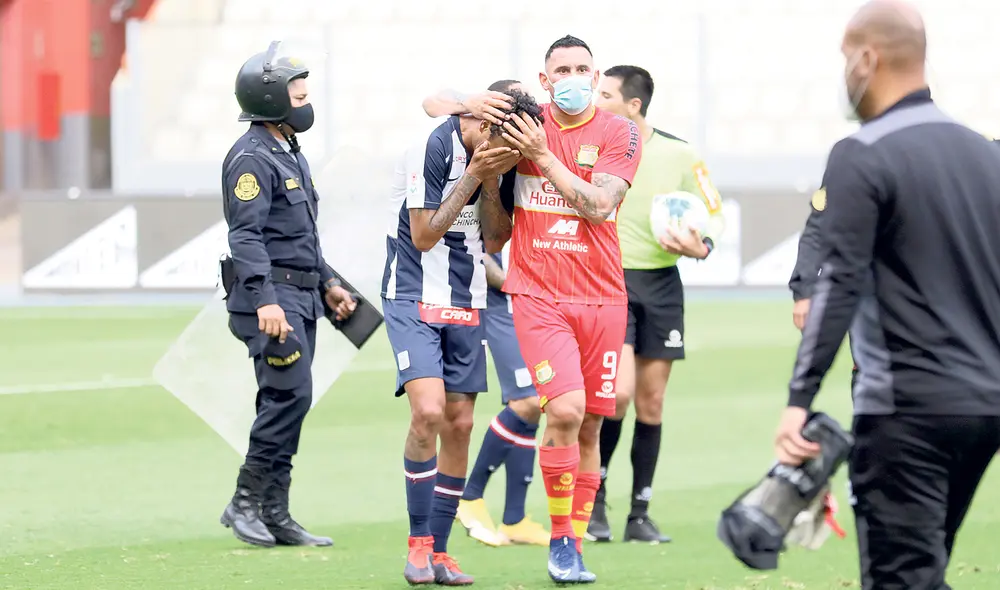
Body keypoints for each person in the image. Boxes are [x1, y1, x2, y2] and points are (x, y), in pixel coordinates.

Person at [774, 2, 1000, 588]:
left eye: (846, 57)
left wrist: (800, 399)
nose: (845, 71)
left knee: (899, 578)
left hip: (906, 411)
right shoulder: (986, 155)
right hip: (984, 406)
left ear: (868, 57)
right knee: (923, 571)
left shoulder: (861, 152)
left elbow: (841, 282)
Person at [423, 34, 642, 584]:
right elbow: (495, 238)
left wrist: (541, 155)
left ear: (594, 77)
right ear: (544, 81)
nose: (571, 77)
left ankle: (572, 543)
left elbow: (600, 205)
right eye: (560, 70)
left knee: (594, 420)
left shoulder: (620, 131)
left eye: (581, 68)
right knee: (564, 410)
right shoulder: (523, 124)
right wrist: (493, 175)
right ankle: (561, 543)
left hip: (604, 295)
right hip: (538, 295)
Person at [383, 85, 540, 585]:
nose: (508, 151)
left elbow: (495, 240)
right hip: (411, 294)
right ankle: (418, 544)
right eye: (502, 139)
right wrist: (475, 173)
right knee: (427, 411)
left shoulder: (501, 158)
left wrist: (492, 183)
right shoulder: (431, 146)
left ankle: (443, 552)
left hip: (467, 298)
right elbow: (425, 235)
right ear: (477, 121)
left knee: (460, 425)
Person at [220, 41, 357, 548]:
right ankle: (245, 502)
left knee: (293, 400)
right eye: (298, 94)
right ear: (273, 99)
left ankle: (276, 512)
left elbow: (299, 236)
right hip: (271, 301)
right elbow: (247, 236)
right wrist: (264, 301)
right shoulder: (252, 159)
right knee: (288, 395)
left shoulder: (286, 150)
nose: (305, 102)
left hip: (301, 295)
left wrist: (328, 282)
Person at [587, 65, 724, 545]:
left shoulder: (680, 153)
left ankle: (639, 514)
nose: (594, 98)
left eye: (604, 93)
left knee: (651, 401)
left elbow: (712, 208)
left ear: (633, 106)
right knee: (617, 394)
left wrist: (701, 243)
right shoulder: (592, 146)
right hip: (610, 283)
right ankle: (594, 503)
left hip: (663, 284)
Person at [455, 80, 550, 549]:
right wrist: (509, 282)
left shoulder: (521, 160)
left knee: (535, 403)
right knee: (528, 401)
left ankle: (515, 517)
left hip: (526, 296)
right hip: (497, 298)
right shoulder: (477, 158)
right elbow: (476, 245)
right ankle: (470, 496)